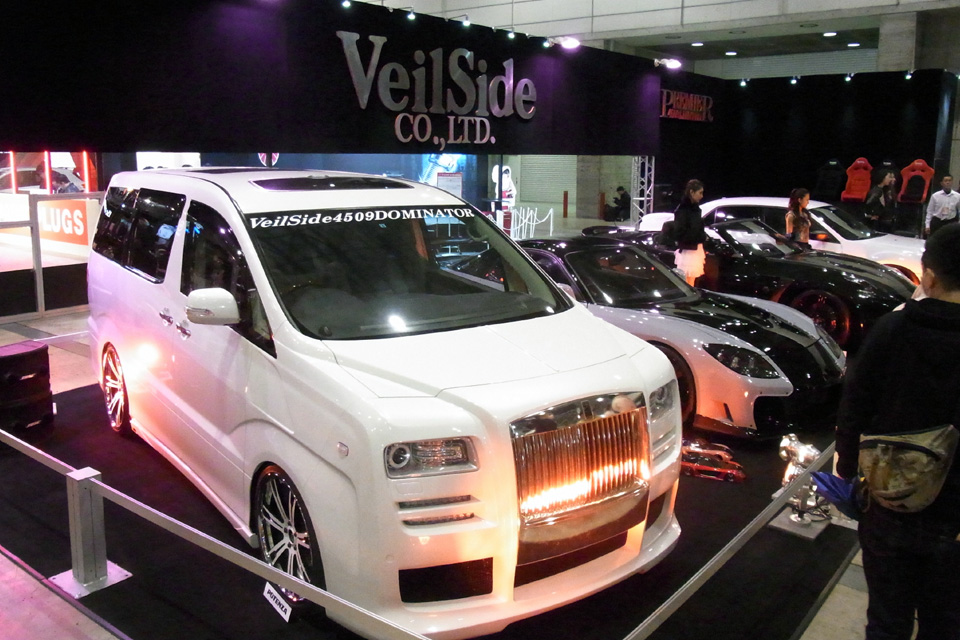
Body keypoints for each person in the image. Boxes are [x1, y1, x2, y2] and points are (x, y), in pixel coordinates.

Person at [835, 223, 960, 640]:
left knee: (887, 619)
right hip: (955, 516)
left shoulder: (892, 329)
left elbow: (854, 406)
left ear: (930, 276)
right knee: (946, 623)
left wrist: (848, 472)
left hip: (890, 499)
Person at [672, 179, 706, 286]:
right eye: (700, 193)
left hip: (694, 248)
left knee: (691, 280)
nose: (701, 196)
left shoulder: (695, 209)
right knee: (686, 281)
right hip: (688, 249)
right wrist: (701, 237)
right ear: (692, 192)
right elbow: (681, 232)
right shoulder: (683, 210)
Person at [864, 168, 898, 233]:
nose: (893, 179)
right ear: (882, 177)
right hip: (878, 223)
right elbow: (869, 204)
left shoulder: (886, 190)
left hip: (886, 222)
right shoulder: (877, 191)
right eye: (890, 177)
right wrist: (874, 214)